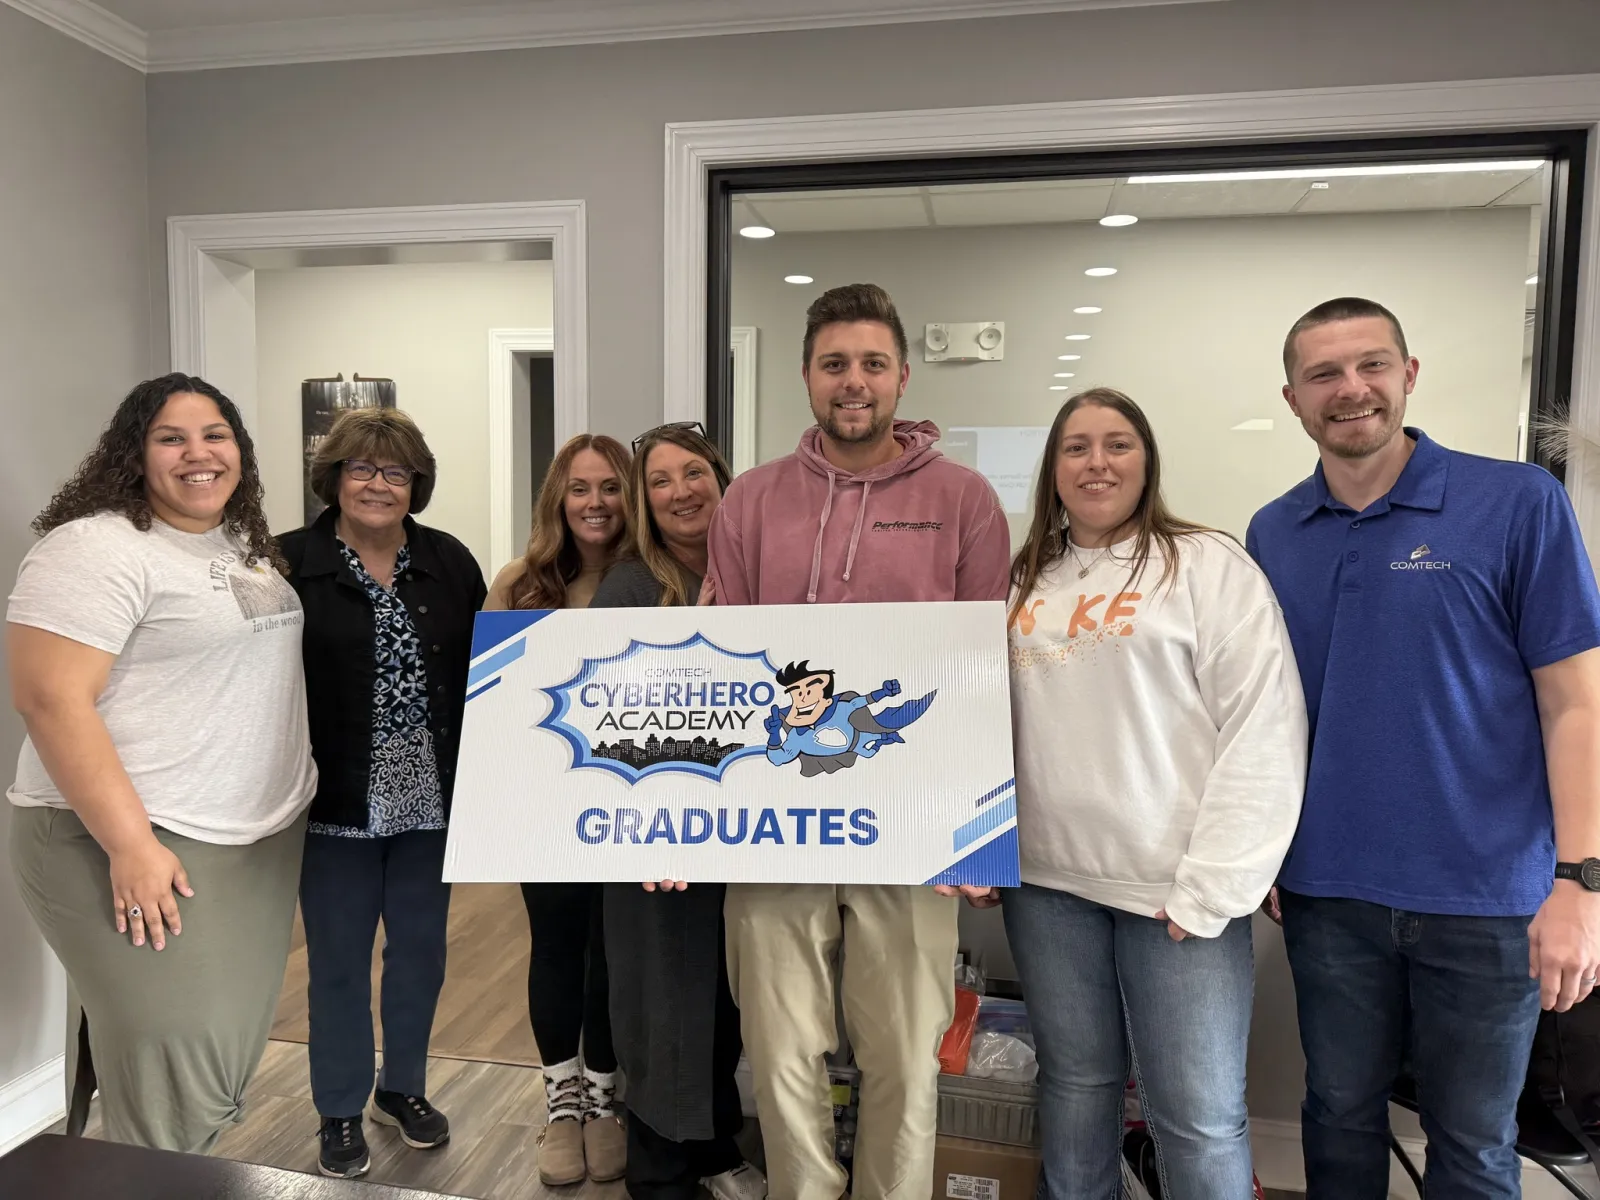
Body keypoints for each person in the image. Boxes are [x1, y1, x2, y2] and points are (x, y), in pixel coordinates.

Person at [1248, 297, 1600, 1198]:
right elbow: (1268, 716)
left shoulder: (1518, 503)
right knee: (1337, 1117)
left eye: (1371, 365)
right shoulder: (1272, 534)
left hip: (1487, 900)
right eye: (1323, 374)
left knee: (1475, 1145)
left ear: (1409, 376)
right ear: (1292, 398)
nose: (1349, 390)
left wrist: (1581, 883)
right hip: (1327, 895)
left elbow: (1576, 707)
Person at [703, 283, 1012, 1200]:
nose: (853, 382)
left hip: (913, 836)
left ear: (902, 376)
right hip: (771, 829)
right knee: (780, 1051)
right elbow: (723, 668)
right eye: (834, 363)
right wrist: (681, 821)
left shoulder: (965, 500)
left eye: (872, 364)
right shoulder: (750, 501)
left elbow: (981, 673)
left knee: (906, 1057)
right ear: (806, 375)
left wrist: (977, 831)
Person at [999, 388, 1307, 1199]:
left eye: (1117, 444)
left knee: (1198, 1115)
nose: (1097, 463)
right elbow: (986, 724)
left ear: (1147, 460)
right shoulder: (1024, 578)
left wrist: (1214, 888)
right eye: (1076, 447)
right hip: (1046, 886)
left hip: (1176, 894)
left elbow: (1265, 727)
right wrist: (982, 847)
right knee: (1075, 1089)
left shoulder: (1207, 563)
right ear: (1052, 469)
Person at [6, 373, 316, 1152]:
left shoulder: (234, 543)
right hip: (140, 839)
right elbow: (50, 701)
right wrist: (130, 845)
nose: (198, 454)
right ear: (132, 453)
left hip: (249, 841)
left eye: (216, 435)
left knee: (212, 1051)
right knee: (178, 1060)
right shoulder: (94, 547)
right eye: (170, 438)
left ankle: (119, 1168)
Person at [279, 408, 487, 1179]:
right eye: (361, 469)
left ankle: (401, 1088)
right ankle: (338, 1106)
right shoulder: (286, 563)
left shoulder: (449, 562)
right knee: (336, 962)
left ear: (416, 484)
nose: (377, 484)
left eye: (395, 472)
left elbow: (484, 677)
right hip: (334, 805)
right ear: (332, 479)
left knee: (421, 958)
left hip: (430, 803)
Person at [590, 422, 767, 1200]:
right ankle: (659, 1168)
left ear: (722, 479)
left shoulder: (764, 574)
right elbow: (610, 726)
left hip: (748, 828)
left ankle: (715, 1143)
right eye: (659, 481)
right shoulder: (629, 587)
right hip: (654, 837)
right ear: (642, 500)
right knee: (661, 996)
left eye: (692, 472)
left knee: (726, 997)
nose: (680, 492)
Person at [484, 433, 632, 1186]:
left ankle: (606, 1100)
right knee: (556, 947)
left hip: (631, 809)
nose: (595, 503)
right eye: (580, 488)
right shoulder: (521, 582)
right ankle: (562, 1103)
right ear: (557, 500)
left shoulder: (654, 578)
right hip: (544, 805)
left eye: (610, 487)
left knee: (610, 954)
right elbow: (492, 705)